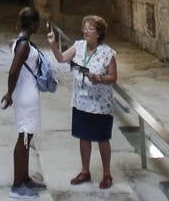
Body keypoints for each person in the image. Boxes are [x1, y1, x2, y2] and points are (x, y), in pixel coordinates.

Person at [48, 14, 117, 189]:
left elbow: (113, 77)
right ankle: (85, 171)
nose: (86, 31)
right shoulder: (79, 46)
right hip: (80, 101)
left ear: (99, 33)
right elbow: (61, 58)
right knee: (83, 136)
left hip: (100, 104)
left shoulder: (108, 53)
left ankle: (107, 174)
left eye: (90, 29)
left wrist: (99, 78)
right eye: (85, 28)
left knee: (102, 138)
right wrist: (53, 45)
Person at [1, 6, 47, 200]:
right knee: (24, 139)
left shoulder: (22, 41)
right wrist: (9, 93)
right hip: (25, 97)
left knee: (27, 138)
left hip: (27, 94)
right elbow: (13, 71)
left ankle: (25, 177)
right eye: (39, 22)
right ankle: (17, 185)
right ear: (34, 24)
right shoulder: (23, 45)